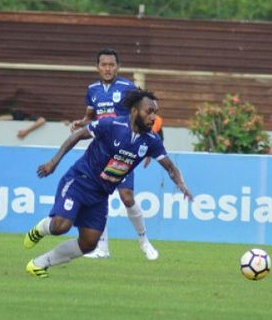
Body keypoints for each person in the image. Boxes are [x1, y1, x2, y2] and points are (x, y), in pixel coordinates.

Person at [23, 90, 192, 278]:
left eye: (156, 112)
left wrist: (181, 184)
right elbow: (78, 135)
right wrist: (53, 162)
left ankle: (39, 264)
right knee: (60, 227)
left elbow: (170, 167)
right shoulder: (111, 124)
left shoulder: (151, 141)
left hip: (100, 194)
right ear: (135, 111)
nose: (154, 117)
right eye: (149, 111)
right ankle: (40, 229)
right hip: (80, 180)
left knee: (89, 243)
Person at [69, 47, 158, 260]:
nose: (108, 68)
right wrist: (81, 122)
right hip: (100, 152)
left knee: (126, 197)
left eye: (111, 65)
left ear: (118, 67)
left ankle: (144, 240)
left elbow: (148, 112)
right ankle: (102, 248)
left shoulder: (128, 87)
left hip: (125, 150)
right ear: (97, 67)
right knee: (98, 196)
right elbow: (92, 115)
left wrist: (149, 144)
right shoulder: (92, 90)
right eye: (103, 65)